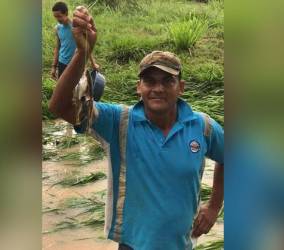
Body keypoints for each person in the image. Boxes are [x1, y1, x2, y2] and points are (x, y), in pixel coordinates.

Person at [49, 6, 224, 250]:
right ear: (138, 87)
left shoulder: (203, 126)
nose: (158, 88)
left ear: (181, 87)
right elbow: (59, 107)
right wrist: (82, 52)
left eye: (168, 81)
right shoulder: (118, 122)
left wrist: (214, 206)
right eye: (149, 81)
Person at [51, 1, 99, 80]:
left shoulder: (76, 27)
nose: (57, 19)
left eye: (59, 16)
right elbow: (57, 47)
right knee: (63, 87)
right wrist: (54, 66)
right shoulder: (57, 28)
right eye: (55, 17)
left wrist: (93, 63)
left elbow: (86, 47)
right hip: (62, 62)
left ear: (66, 13)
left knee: (77, 88)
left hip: (76, 63)